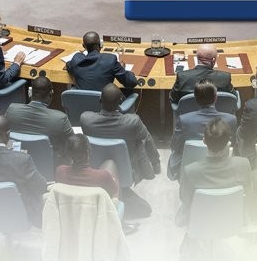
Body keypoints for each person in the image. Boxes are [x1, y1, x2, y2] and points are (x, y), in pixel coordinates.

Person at [80, 84, 160, 218]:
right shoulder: (133, 121)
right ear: (120, 102)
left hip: (96, 169)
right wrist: (155, 162)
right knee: (141, 140)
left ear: (100, 100)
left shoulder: (86, 119)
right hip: (126, 170)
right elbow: (147, 139)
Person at [177, 117, 252, 227]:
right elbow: (248, 194)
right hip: (231, 224)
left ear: (204, 141)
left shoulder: (190, 171)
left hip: (200, 226)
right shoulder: (244, 165)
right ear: (228, 142)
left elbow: (185, 200)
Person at [168, 79, 239, 179]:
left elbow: (175, 146)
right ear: (216, 98)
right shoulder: (231, 119)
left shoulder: (184, 120)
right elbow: (232, 145)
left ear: (196, 98)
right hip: (221, 168)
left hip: (190, 168)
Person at [4, 76, 74, 166]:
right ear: (51, 94)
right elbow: (73, 144)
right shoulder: (60, 119)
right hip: (48, 166)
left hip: (17, 164)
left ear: (30, 92)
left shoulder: (12, 110)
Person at [65, 31, 138, 92]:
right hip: (104, 103)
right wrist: (122, 69)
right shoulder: (110, 60)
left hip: (81, 103)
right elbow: (132, 82)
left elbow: (69, 65)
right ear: (100, 44)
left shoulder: (76, 60)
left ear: (84, 46)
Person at [55, 133, 120, 199]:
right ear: (88, 151)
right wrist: (113, 178)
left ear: (69, 154)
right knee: (110, 164)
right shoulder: (104, 176)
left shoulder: (60, 172)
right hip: (96, 205)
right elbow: (114, 193)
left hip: (70, 205)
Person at [170, 43, 234, 104]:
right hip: (218, 110)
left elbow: (173, 98)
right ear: (213, 60)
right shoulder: (225, 77)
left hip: (188, 111)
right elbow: (233, 97)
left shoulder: (182, 77)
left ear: (197, 57)